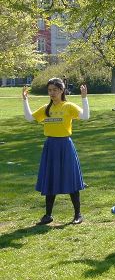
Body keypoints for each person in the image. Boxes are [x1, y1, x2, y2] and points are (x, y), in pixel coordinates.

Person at [22, 78, 90, 225]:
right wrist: (25, 100)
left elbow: (85, 116)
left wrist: (84, 98)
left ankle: (78, 215)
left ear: (61, 90)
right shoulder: (46, 108)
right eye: (50, 90)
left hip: (65, 146)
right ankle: (48, 215)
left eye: (54, 90)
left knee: (71, 179)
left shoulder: (68, 106)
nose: (52, 93)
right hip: (50, 146)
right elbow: (29, 118)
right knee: (50, 179)